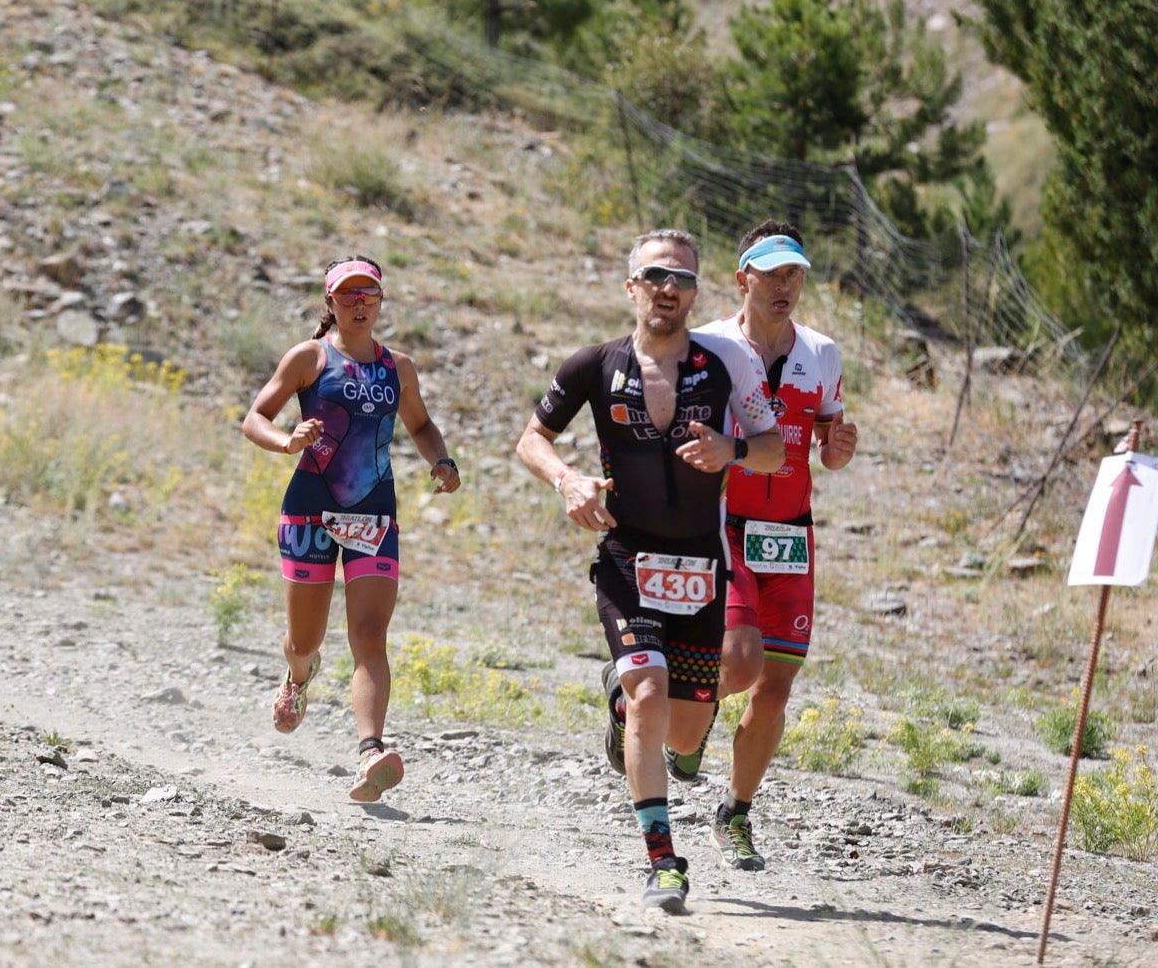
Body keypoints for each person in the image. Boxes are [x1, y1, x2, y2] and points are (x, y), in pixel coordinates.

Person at [515, 229, 782, 913]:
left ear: (697, 292)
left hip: (699, 566)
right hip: (626, 560)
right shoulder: (595, 365)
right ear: (631, 287)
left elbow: (774, 451)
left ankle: (620, 699)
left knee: (687, 731)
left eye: (683, 279)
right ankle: (663, 860)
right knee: (650, 695)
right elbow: (531, 440)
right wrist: (567, 480)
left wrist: (733, 448)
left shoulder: (725, 365)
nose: (670, 288)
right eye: (656, 276)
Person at [242, 256, 461, 803]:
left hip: (374, 515)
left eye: (370, 295)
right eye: (348, 295)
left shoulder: (398, 367)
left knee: (368, 635)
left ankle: (371, 752)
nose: (360, 303)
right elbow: (255, 418)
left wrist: (441, 460)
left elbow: (420, 423)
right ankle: (297, 677)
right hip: (309, 510)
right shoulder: (309, 358)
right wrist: (287, 441)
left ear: (381, 301)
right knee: (305, 640)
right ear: (330, 302)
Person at [678, 220, 859, 872]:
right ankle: (677, 715)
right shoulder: (712, 346)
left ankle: (735, 813)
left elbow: (830, 441)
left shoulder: (824, 353)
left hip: (792, 533)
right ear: (743, 278)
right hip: (728, 525)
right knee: (740, 662)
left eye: (796, 274)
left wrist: (839, 448)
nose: (786, 286)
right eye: (773, 273)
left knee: (775, 689)